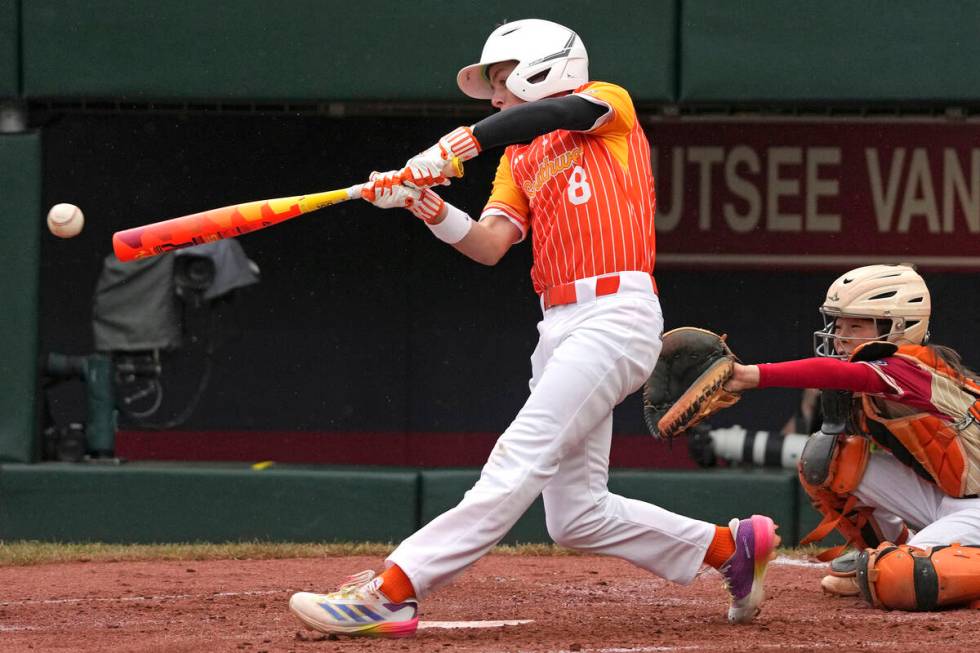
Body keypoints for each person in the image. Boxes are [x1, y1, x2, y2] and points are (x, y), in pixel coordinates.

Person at [288, 18, 778, 637]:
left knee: (516, 461)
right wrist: (423, 204)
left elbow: (536, 118)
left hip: (616, 315)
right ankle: (726, 550)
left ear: (542, 68)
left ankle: (393, 589)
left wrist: (455, 146)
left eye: (500, 80)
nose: (494, 96)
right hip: (560, 324)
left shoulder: (608, 104)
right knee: (575, 517)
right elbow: (490, 243)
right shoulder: (519, 160)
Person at [722, 263, 980, 610]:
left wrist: (748, 375)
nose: (841, 335)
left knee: (899, 579)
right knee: (830, 460)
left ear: (898, 327)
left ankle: (898, 562)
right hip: (950, 497)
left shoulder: (910, 367)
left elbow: (836, 372)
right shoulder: (877, 373)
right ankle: (883, 553)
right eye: (839, 323)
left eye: (855, 324)